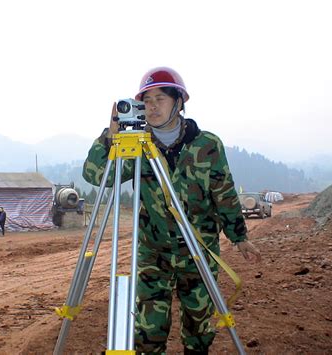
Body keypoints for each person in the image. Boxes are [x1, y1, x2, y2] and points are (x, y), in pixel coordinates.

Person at [82, 67, 261, 354]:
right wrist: (110, 136)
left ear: (179, 102)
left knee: (199, 331)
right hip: (154, 254)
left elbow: (224, 194)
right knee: (148, 333)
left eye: (160, 98)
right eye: (147, 100)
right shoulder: (135, 147)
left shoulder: (207, 145)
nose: (152, 106)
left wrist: (239, 237)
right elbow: (94, 175)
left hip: (198, 253)